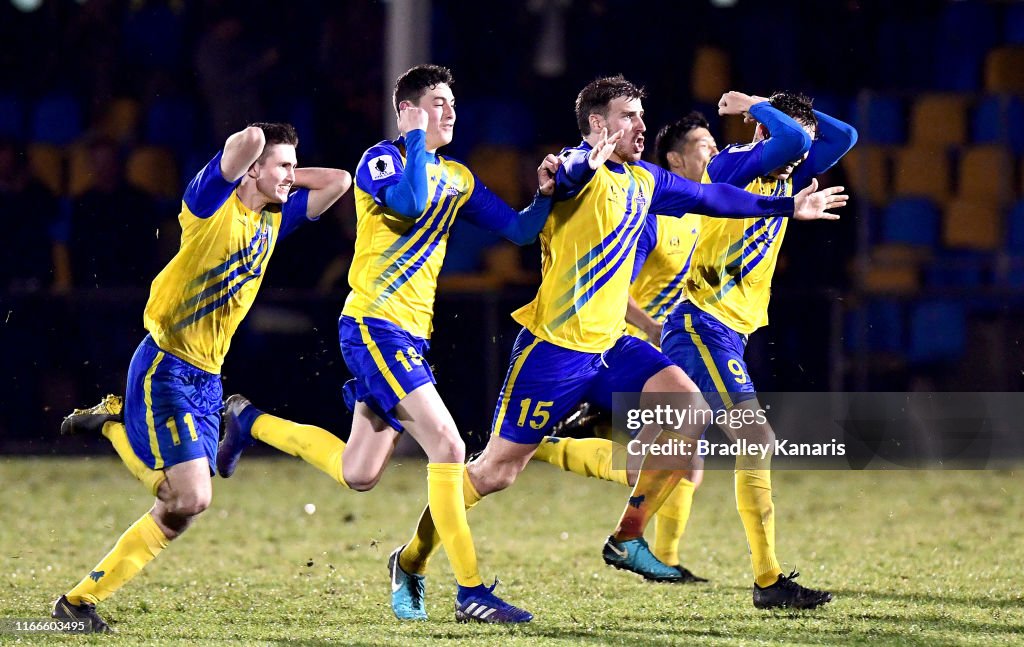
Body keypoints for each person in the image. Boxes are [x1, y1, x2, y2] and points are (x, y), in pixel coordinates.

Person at [390, 76, 846, 611]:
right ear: (599, 125)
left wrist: (788, 209)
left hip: (613, 346)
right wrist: (578, 164)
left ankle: (630, 535)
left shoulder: (645, 179)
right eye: (630, 116)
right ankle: (413, 557)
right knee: (496, 471)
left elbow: (712, 197)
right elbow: (567, 175)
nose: (642, 125)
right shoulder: (569, 169)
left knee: (688, 412)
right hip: (555, 350)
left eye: (642, 115)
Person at [215, 65, 562, 624]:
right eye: (438, 103)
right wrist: (415, 137)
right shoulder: (384, 158)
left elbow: (520, 232)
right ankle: (470, 590)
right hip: (374, 325)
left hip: (410, 334)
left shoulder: (462, 177)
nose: (451, 111)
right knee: (448, 447)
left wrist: (547, 195)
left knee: (360, 473)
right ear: (410, 110)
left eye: (452, 103)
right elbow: (407, 201)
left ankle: (248, 420)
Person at [54, 122, 353, 632]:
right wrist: (262, 151)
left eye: (291, 166)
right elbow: (244, 145)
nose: (290, 176)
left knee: (178, 513)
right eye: (280, 166)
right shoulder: (208, 207)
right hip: (166, 366)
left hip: (208, 378)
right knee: (191, 496)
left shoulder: (273, 222)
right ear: (252, 169)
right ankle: (112, 421)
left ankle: (76, 604)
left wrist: (283, 173)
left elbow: (340, 181)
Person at [532, 112, 719, 581]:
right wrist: (654, 327)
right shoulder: (652, 217)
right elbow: (614, 284)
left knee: (684, 465)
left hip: (658, 355)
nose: (713, 151)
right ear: (675, 158)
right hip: (626, 350)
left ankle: (668, 561)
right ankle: (540, 447)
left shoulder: (695, 214)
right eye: (703, 144)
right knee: (656, 467)